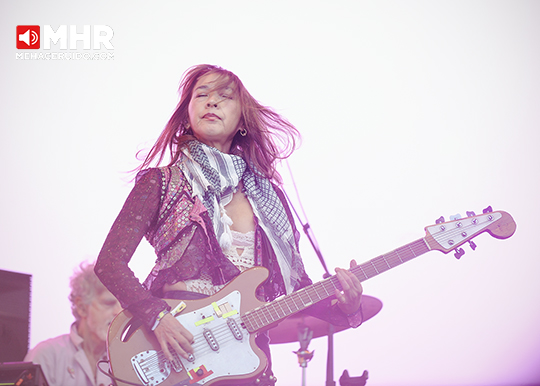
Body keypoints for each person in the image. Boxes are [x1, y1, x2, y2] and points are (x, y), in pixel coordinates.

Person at [95, 64, 363, 385]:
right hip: (178, 349)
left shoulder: (269, 198)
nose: (212, 102)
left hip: (247, 361)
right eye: (202, 95)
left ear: (242, 121)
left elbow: (298, 289)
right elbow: (109, 264)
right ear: (187, 113)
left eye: (225, 96)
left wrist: (347, 305)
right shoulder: (162, 182)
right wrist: (157, 317)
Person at [24, 261, 122, 386]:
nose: (119, 312)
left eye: (123, 306)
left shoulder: (125, 362)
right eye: (109, 303)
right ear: (81, 307)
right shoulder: (47, 356)